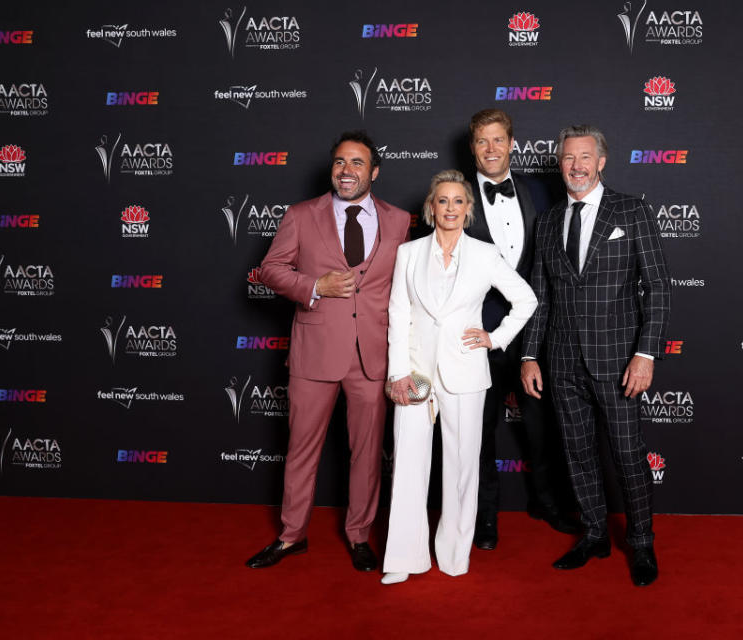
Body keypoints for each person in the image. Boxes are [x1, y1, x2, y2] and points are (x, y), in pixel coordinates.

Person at [246, 130, 411, 572]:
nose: (347, 171)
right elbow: (270, 270)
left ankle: (359, 535)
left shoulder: (400, 221)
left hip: (372, 357)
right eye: (340, 162)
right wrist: (314, 286)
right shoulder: (302, 216)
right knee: (301, 449)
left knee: (367, 453)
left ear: (374, 171)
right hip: (314, 354)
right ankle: (291, 535)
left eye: (357, 163)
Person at [520, 125, 670, 586]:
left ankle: (641, 544)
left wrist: (646, 353)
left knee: (627, 454)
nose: (577, 166)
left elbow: (658, 288)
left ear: (602, 161)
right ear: (559, 164)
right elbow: (540, 297)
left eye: (585, 157)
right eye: (568, 158)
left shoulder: (632, 209)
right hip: (562, 362)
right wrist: (529, 356)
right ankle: (594, 534)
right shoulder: (547, 223)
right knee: (578, 454)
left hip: (620, 360)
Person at [381, 170, 537, 584]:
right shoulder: (408, 253)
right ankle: (403, 557)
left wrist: (496, 337)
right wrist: (397, 373)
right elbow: (398, 315)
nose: (450, 208)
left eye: (458, 201)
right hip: (415, 373)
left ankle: (453, 555)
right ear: (431, 208)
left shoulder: (484, 255)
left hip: (466, 371)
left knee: (462, 467)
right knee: (409, 466)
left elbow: (526, 299)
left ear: (468, 210)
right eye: (442, 201)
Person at [464, 108, 581, 550]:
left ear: (513, 143)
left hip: (534, 335)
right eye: (482, 142)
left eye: (498, 140)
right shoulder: (457, 196)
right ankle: (485, 516)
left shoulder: (538, 190)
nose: (491, 149)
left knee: (543, 426)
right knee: (480, 432)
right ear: (472, 147)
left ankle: (547, 504)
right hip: (478, 337)